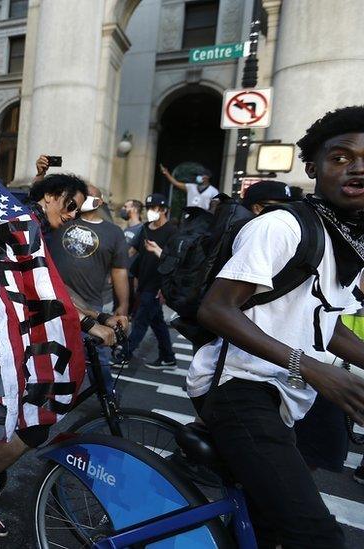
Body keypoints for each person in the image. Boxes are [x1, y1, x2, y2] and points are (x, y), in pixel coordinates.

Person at [187, 106, 364, 548]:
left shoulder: (347, 240)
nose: (357, 168)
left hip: (288, 392)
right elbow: (217, 310)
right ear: (312, 167)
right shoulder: (282, 227)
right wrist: (314, 368)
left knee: (271, 528)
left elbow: (324, 323)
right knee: (318, 536)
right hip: (237, 388)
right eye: (341, 157)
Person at [0, 170, 124, 537]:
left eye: (80, 208)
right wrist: (89, 326)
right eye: (71, 205)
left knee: (17, 408)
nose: (74, 214)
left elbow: (52, 286)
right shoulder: (23, 224)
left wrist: (100, 314)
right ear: (52, 195)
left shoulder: (35, 226)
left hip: (4, 325)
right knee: (35, 423)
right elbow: (35, 292)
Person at [47, 183, 130, 388]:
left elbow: (119, 271)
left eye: (89, 196)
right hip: (54, 298)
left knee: (97, 358)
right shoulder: (62, 219)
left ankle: (108, 399)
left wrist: (122, 307)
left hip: (90, 305)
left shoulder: (113, 232)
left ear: (99, 202)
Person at [123, 193, 178, 368]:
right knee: (158, 323)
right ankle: (168, 357)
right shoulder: (146, 227)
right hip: (143, 280)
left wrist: (165, 287)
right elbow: (134, 251)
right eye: (148, 208)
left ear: (163, 210)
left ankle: (125, 353)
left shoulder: (172, 232)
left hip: (157, 284)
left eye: (154, 208)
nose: (150, 212)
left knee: (140, 320)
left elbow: (173, 261)